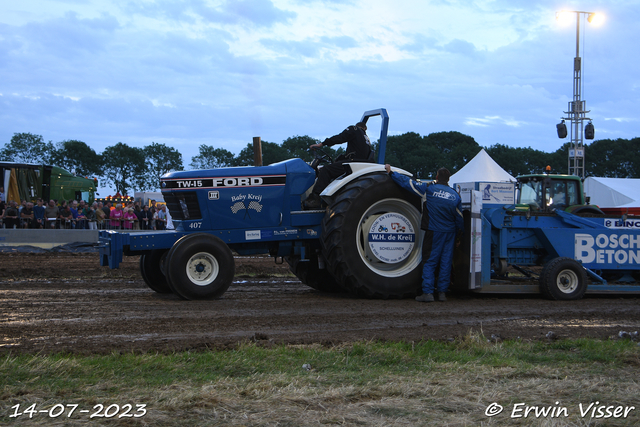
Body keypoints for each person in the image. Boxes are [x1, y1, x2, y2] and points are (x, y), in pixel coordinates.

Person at [385, 164, 464, 303]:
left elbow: (408, 183)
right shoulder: (455, 195)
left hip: (434, 231)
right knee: (445, 262)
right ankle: (442, 294)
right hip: (450, 233)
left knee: (429, 261)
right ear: (449, 179)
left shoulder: (429, 189)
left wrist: (391, 173)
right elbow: (459, 219)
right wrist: (458, 236)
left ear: (437, 177)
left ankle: (427, 292)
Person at [304, 121, 374, 209]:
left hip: (352, 164)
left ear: (358, 126)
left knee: (326, 170)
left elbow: (340, 137)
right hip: (359, 164)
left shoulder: (354, 129)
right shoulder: (366, 139)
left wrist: (321, 144)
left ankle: (315, 198)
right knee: (330, 167)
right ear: (365, 128)